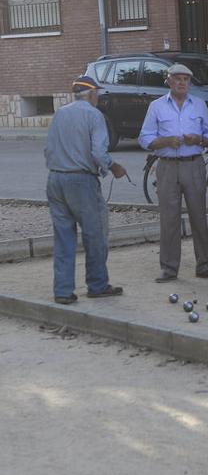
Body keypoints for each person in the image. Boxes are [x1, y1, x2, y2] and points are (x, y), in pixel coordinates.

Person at [44, 75, 127, 304]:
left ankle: (63, 291)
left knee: (63, 238)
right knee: (95, 234)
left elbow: (47, 149)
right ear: (91, 94)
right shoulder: (94, 115)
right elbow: (98, 153)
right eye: (97, 94)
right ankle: (97, 284)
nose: (98, 98)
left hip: (55, 179)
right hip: (81, 181)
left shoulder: (60, 113)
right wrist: (113, 167)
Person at [139, 63, 208, 283]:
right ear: (169, 81)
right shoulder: (156, 106)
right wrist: (163, 141)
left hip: (194, 164)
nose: (182, 83)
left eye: (186, 79)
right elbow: (144, 138)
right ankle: (169, 268)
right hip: (167, 165)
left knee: (199, 216)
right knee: (169, 219)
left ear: (190, 83)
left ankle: (205, 265)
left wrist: (200, 140)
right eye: (178, 79)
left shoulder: (199, 104)